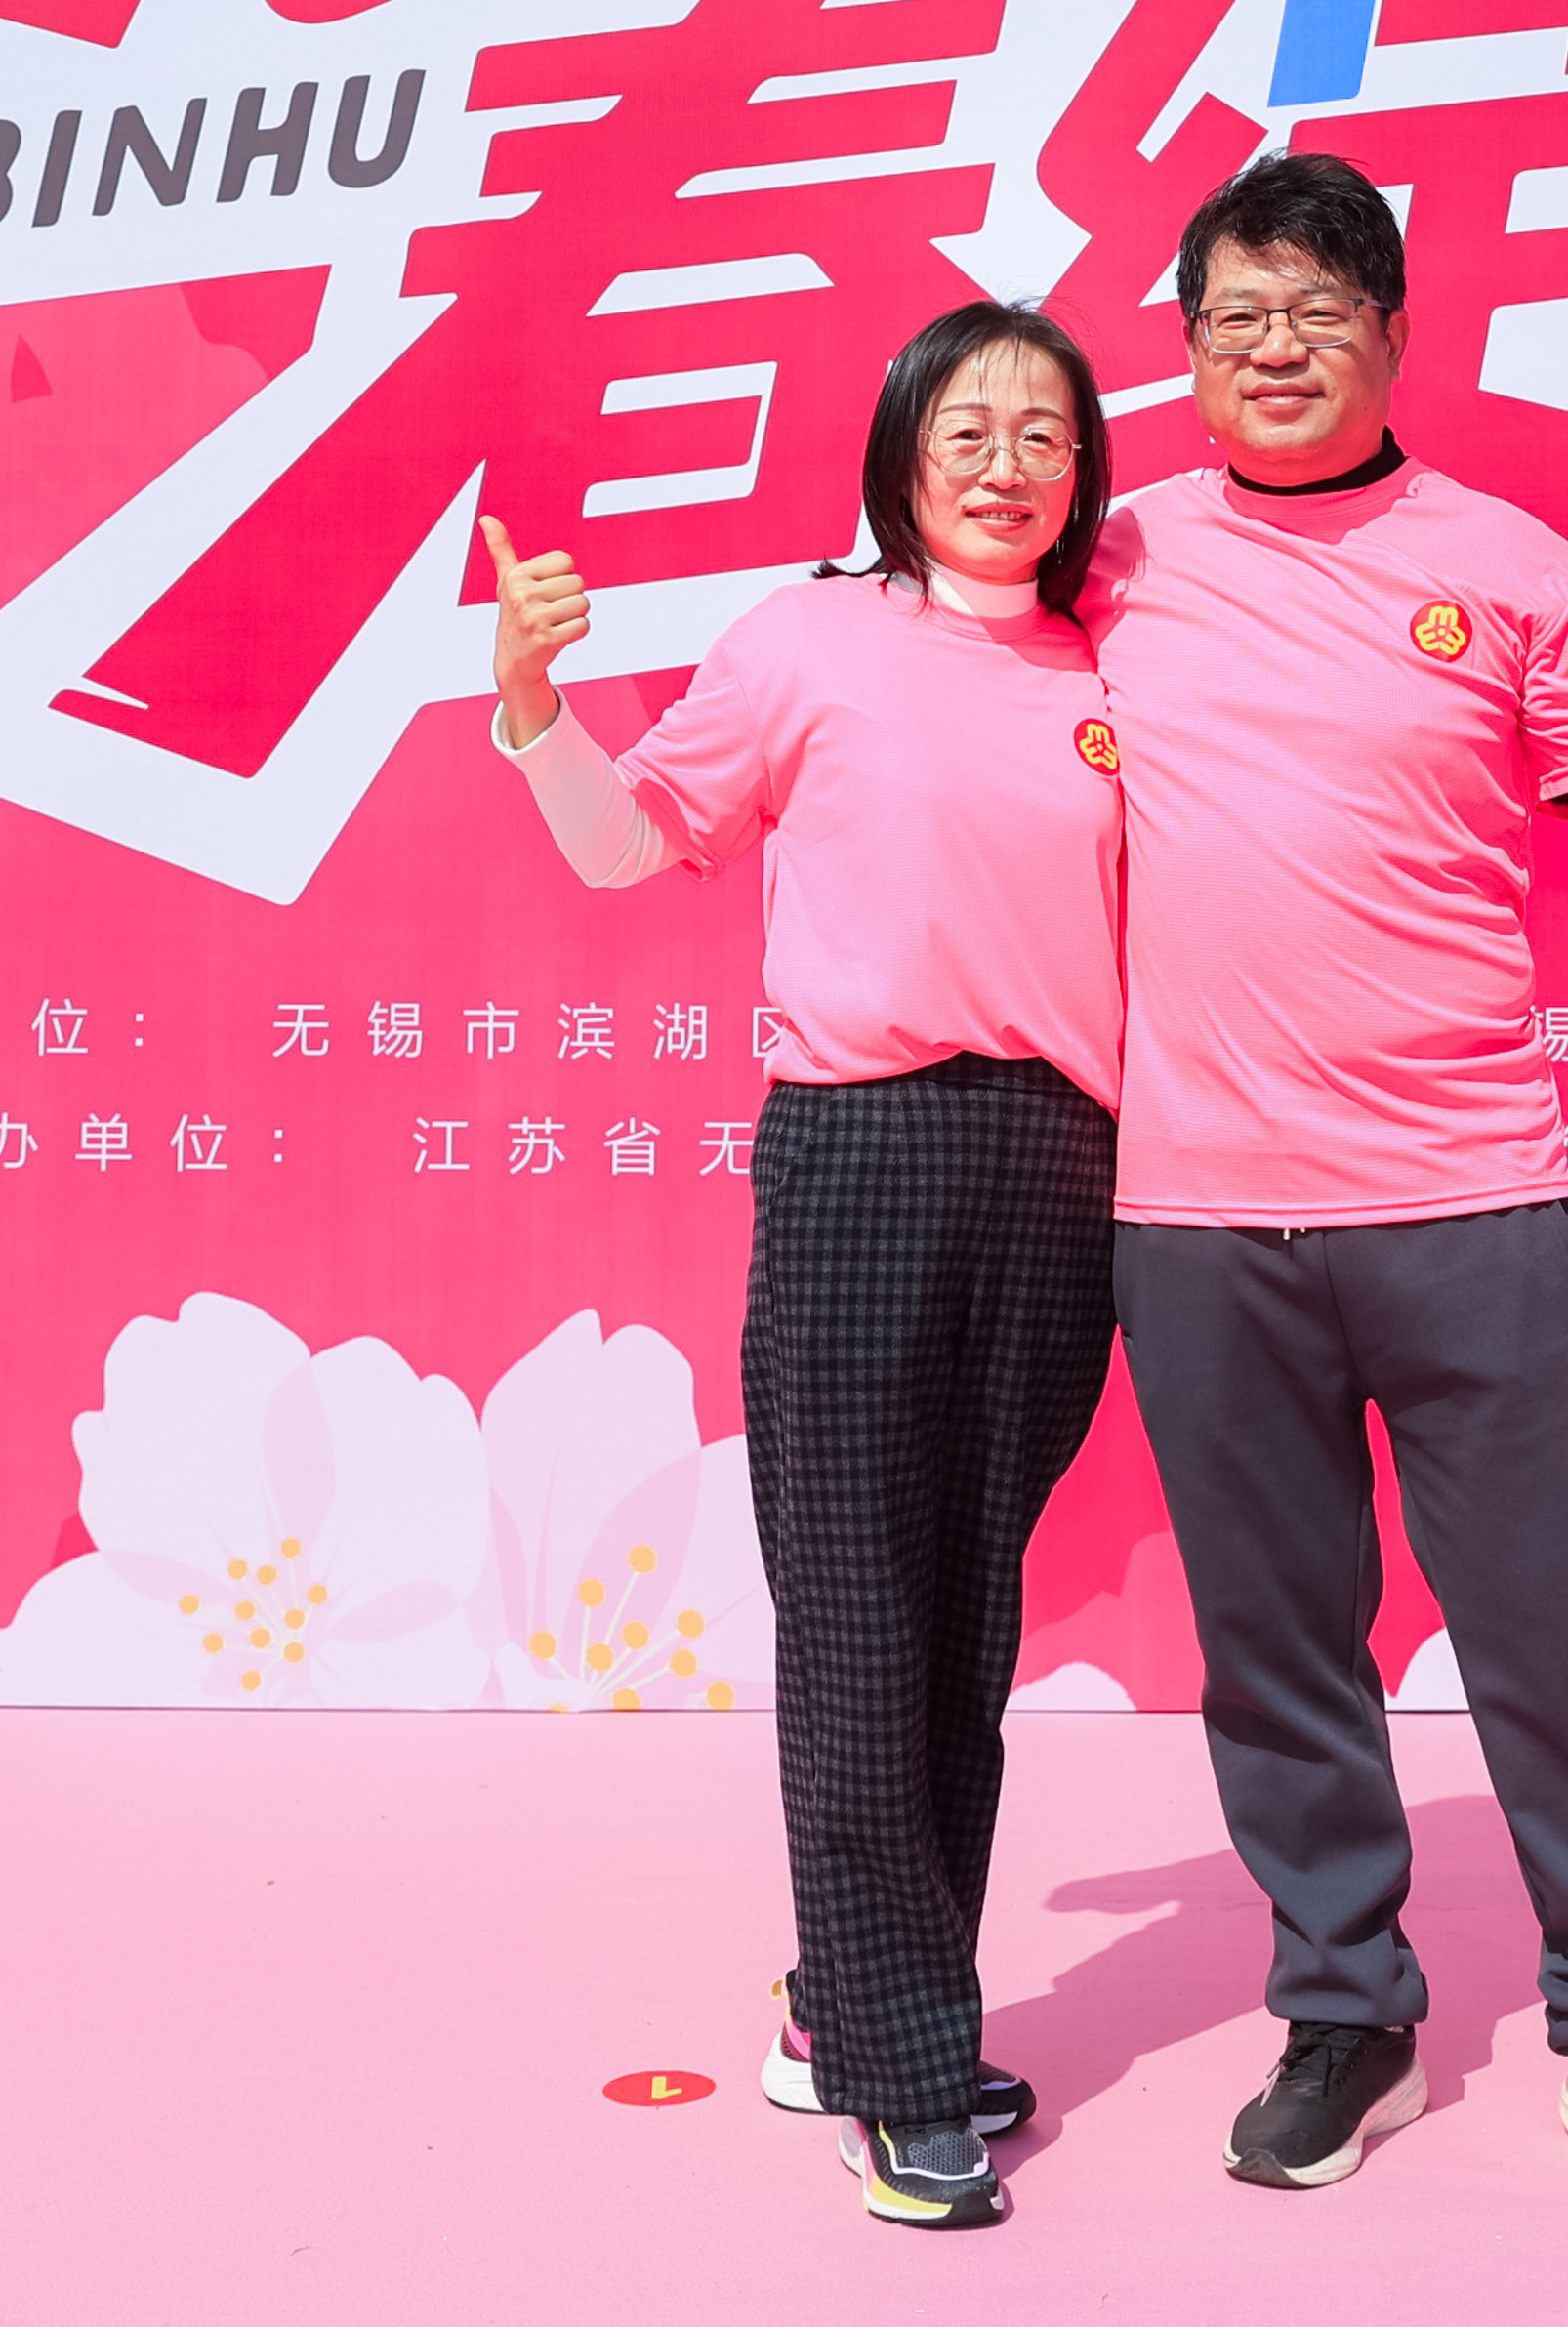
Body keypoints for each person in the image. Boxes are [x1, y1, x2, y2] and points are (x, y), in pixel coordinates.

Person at [1084, 150, 1568, 2208]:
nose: (1275, 347)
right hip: (1199, 1209)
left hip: (1463, 1189)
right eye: (1236, 316)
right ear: (1190, 346)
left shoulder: (1502, 561)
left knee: (1558, 1622)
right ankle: (1345, 2009)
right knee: (1276, 1644)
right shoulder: (1108, 557)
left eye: (1317, 311)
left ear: (1393, 334)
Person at [484, 300, 1125, 2234]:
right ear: (901, 445)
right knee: (858, 1619)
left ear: (1085, 471)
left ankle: (848, 1998)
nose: (1006, 462)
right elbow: (629, 844)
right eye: (969, 425)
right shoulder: (806, 638)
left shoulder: (1113, 658)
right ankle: (902, 2066)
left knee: (966, 1632)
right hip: (861, 1151)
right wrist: (533, 703)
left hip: (1063, 1165)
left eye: (1045, 432)